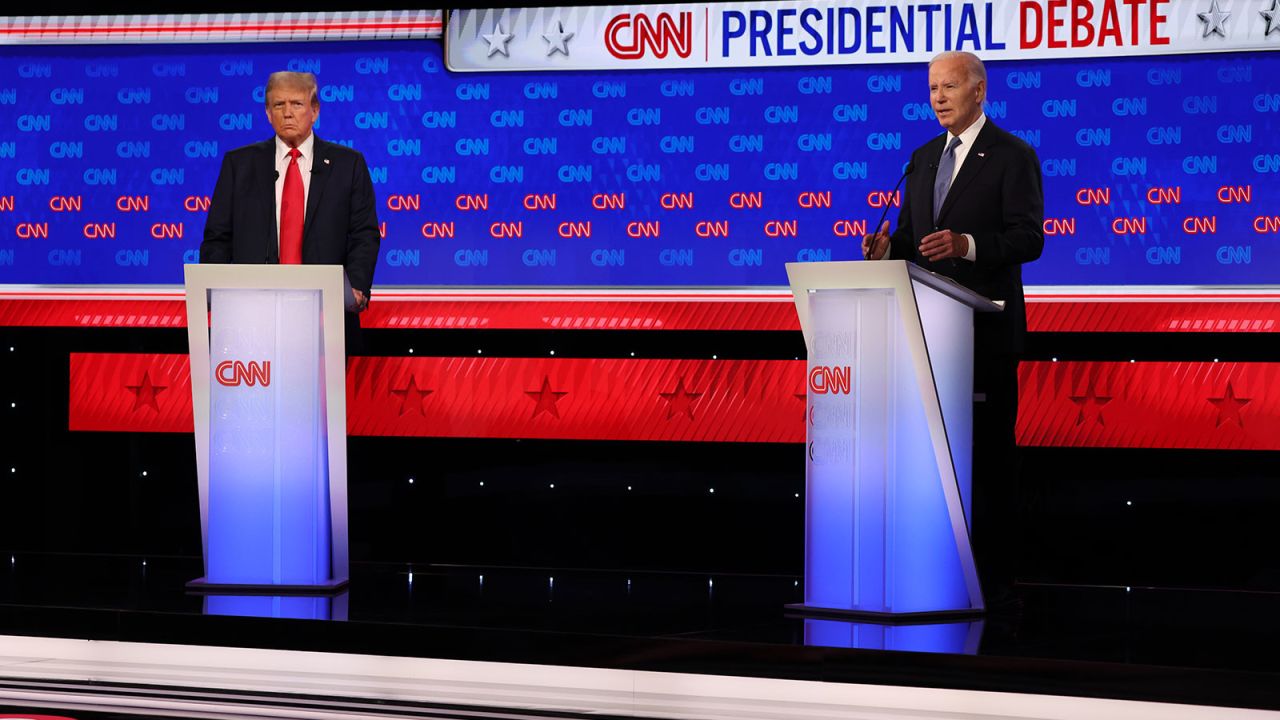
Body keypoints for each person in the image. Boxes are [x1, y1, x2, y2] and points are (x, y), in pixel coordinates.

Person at [862, 51, 1044, 601]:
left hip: (984, 336)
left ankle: (995, 582)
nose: (938, 97)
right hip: (929, 340)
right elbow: (913, 235)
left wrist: (967, 245)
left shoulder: (1013, 156)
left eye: (949, 87)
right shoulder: (920, 159)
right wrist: (886, 248)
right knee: (933, 460)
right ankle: (938, 572)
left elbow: (1028, 239)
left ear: (979, 91)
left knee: (987, 461)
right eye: (932, 88)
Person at [200, 70, 380, 353]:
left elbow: (363, 234)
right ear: (268, 113)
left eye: (296, 104)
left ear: (315, 111)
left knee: (319, 398)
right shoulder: (239, 164)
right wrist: (215, 293)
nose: (287, 113)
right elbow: (218, 238)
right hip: (251, 317)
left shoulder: (349, 164)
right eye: (278, 105)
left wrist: (356, 288)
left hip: (325, 317)